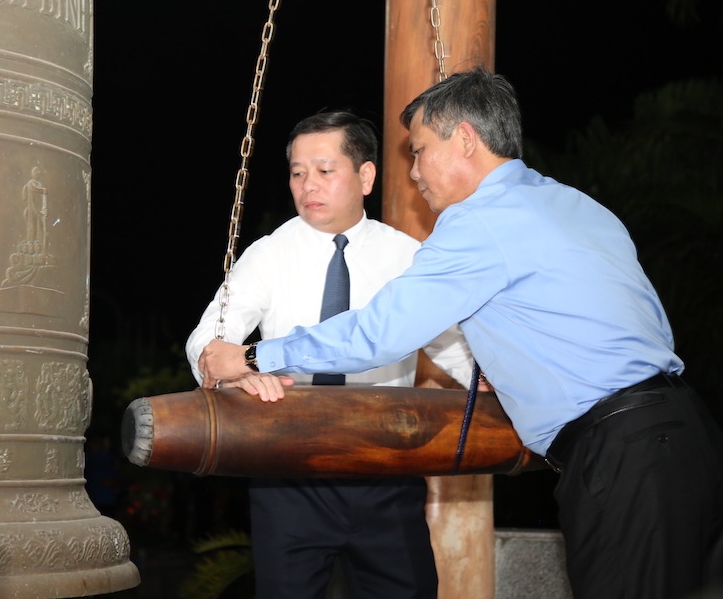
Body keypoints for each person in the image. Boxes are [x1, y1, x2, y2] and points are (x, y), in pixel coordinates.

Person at [197, 67, 723, 599]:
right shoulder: (578, 205)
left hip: (620, 455)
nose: (416, 171)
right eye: (296, 172)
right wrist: (498, 374)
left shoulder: (473, 226)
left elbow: (379, 335)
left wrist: (259, 357)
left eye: (420, 150)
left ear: (465, 140)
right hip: (687, 436)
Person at [186, 110, 474, 599]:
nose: (307, 185)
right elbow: (209, 340)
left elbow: (454, 349)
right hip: (289, 473)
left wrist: (495, 383)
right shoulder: (268, 254)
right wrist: (231, 370)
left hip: (386, 468)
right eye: (297, 172)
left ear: (365, 176)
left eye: (324, 170)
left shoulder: (408, 257)